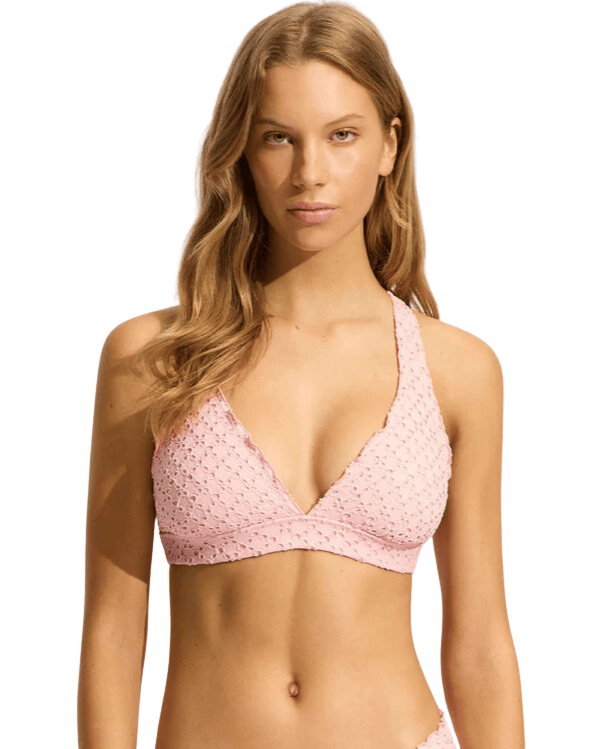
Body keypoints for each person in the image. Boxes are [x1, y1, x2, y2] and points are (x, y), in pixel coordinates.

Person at [77, 2, 525, 747]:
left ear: (389, 145)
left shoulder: (458, 370)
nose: (309, 173)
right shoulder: (152, 360)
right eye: (278, 138)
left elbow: (479, 640)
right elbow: (112, 629)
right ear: (241, 152)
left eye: (341, 135)